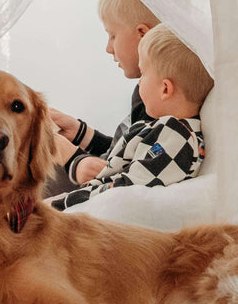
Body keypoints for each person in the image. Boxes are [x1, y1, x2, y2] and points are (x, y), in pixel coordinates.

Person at [48, 23, 213, 212]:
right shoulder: (160, 129)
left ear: (165, 89)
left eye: (143, 74)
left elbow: (127, 189)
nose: (139, 83)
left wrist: (62, 203)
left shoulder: (178, 137)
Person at [47, 0, 175, 195]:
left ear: (143, 34)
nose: (108, 48)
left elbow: (129, 174)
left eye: (113, 35)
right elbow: (124, 152)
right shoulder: (152, 91)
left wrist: (73, 160)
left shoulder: (158, 99)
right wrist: (82, 134)